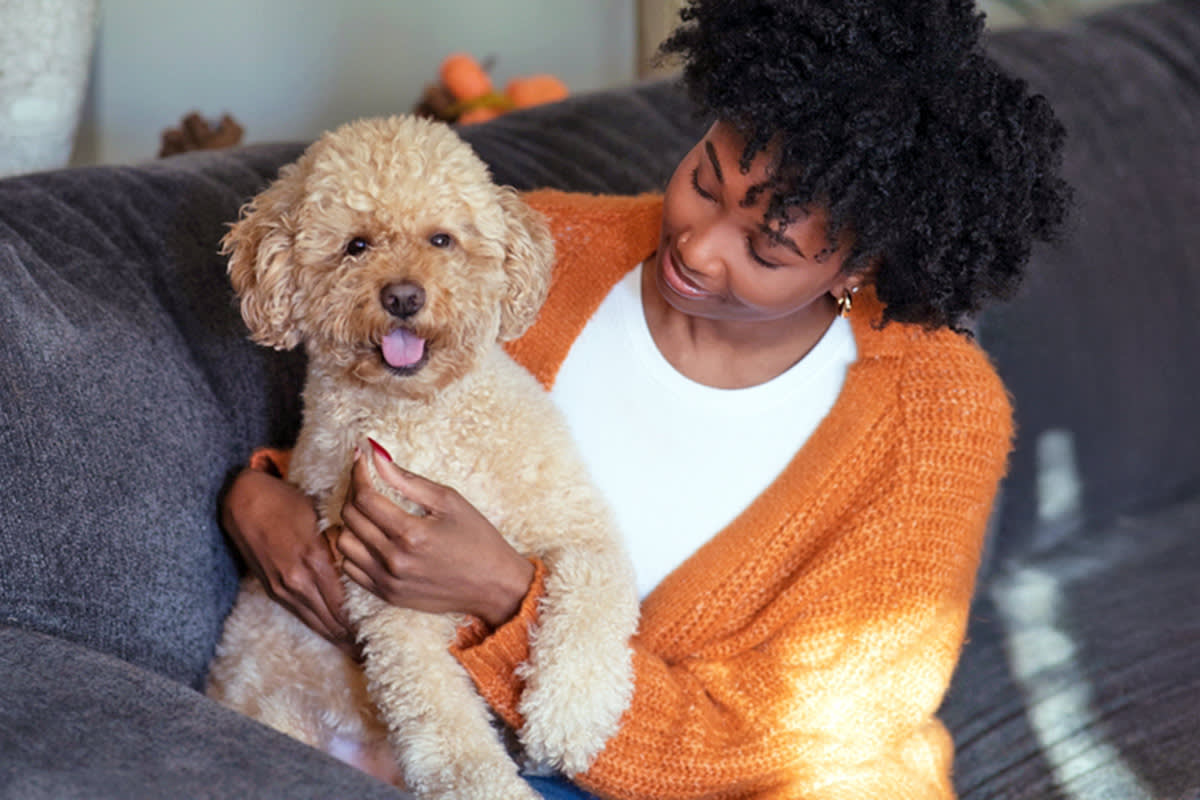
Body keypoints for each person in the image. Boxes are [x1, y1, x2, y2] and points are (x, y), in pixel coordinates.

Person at [220, 0, 1071, 797]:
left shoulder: (935, 415)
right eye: (706, 178)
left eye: (765, 248)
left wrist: (510, 599)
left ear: (855, 267)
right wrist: (262, 499)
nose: (697, 248)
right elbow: (389, 409)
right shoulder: (543, 256)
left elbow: (796, 738)